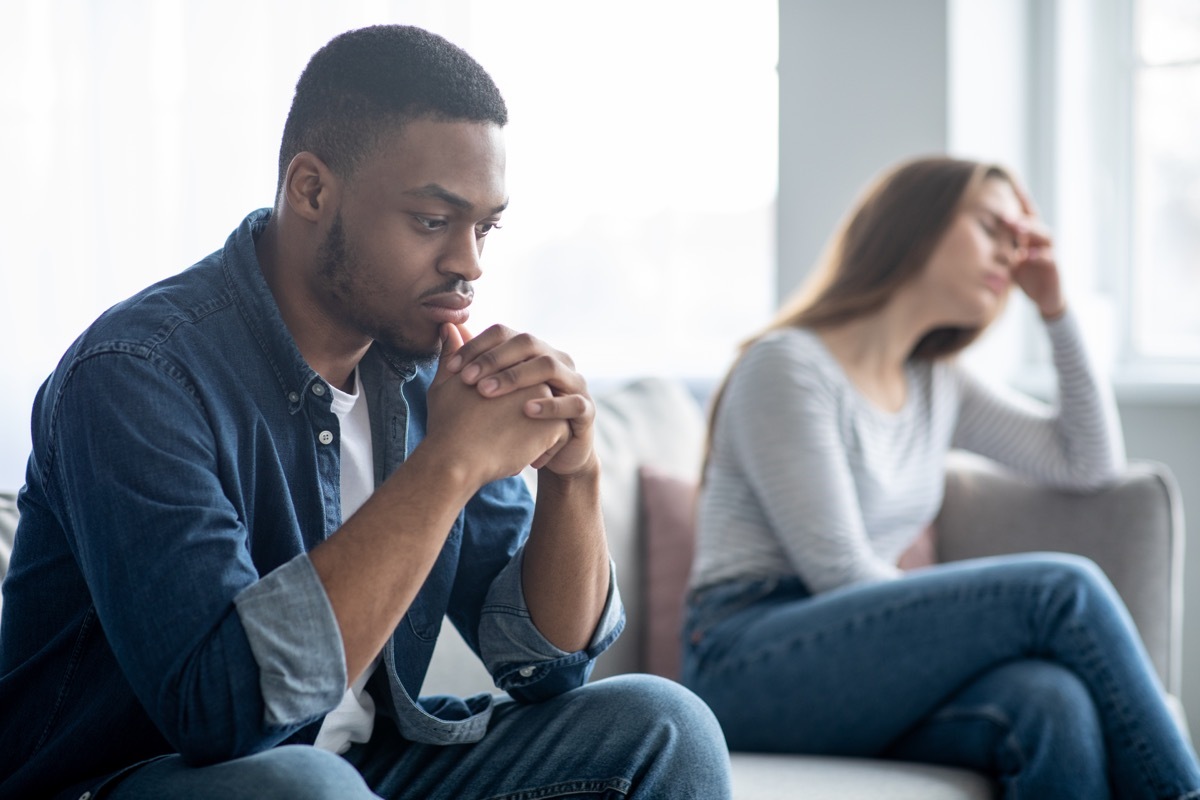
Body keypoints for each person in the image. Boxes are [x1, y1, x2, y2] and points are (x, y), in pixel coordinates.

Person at [0, 25, 731, 800]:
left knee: (664, 729)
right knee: (306, 787)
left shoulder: (420, 374)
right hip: (132, 781)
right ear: (311, 189)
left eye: (484, 227)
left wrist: (573, 476)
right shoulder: (135, 376)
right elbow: (224, 711)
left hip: (356, 768)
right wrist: (447, 466)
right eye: (432, 221)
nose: (470, 263)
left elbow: (546, 667)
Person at [681, 156, 1200, 798]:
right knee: (1061, 589)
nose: (1012, 255)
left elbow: (1087, 462)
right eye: (992, 228)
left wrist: (1056, 309)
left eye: (1020, 239)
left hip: (854, 657)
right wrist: (969, 627)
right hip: (749, 657)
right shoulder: (786, 367)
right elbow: (839, 572)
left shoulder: (936, 381)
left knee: (1051, 701)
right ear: (916, 226)